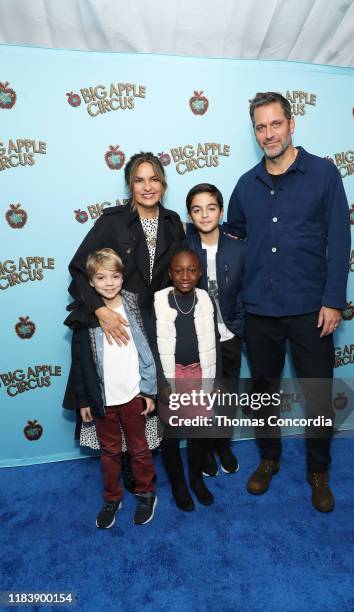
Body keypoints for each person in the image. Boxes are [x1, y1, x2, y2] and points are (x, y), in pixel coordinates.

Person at [224, 92, 351, 512]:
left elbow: (339, 240)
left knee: (317, 394)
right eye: (260, 127)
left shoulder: (324, 174)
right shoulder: (245, 185)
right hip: (259, 311)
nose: (268, 134)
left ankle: (318, 470)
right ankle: (268, 459)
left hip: (311, 310)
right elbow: (236, 245)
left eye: (275, 124)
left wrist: (333, 300)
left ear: (291, 124)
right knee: (264, 394)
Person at [66, 152, 185, 491]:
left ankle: (146, 459)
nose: (148, 187)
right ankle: (128, 469)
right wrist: (98, 310)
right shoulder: (112, 221)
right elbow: (78, 268)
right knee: (118, 392)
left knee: (145, 396)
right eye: (139, 179)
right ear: (130, 185)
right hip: (116, 323)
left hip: (154, 325)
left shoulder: (174, 222)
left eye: (154, 179)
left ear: (163, 183)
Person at [63, 248, 158, 528]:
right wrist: (83, 401)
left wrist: (149, 390)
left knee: (139, 450)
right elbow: (79, 363)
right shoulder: (86, 315)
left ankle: (146, 493)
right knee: (110, 453)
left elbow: (146, 351)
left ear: (122, 277)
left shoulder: (133, 305)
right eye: (101, 277)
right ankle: (112, 499)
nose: (109, 282)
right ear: (90, 282)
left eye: (115, 276)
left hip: (132, 396)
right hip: (102, 400)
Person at [154, 246, 222, 511]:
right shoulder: (158, 301)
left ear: (200, 273)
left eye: (192, 270)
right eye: (179, 270)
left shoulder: (206, 299)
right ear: (170, 274)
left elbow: (216, 341)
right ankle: (178, 484)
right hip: (172, 378)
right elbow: (150, 345)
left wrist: (215, 380)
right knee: (170, 436)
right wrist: (161, 383)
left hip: (200, 375)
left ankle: (196, 479)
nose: (185, 276)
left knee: (199, 433)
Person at [186, 183, 245, 476]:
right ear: (190, 215)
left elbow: (247, 289)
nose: (204, 214)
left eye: (211, 208)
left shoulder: (237, 246)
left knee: (227, 394)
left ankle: (223, 443)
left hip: (230, 335)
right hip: (199, 340)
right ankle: (205, 446)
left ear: (221, 212)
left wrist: (240, 327)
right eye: (197, 209)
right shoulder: (184, 247)